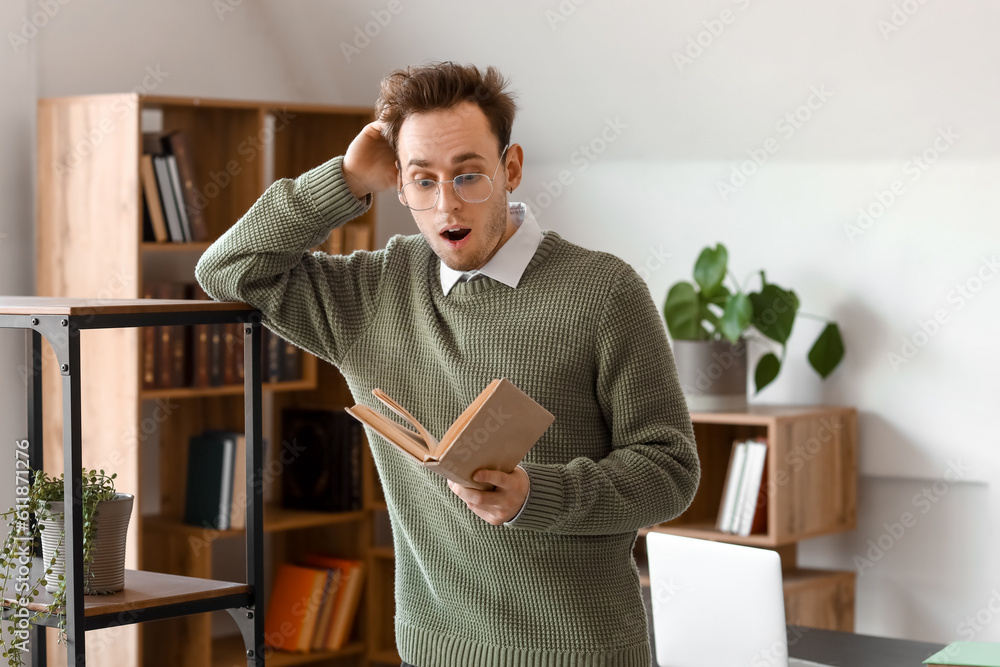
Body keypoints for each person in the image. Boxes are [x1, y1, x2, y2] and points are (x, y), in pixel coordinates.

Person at [195, 61, 700, 667]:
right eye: (424, 181)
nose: (447, 206)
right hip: (434, 650)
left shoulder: (604, 292)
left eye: (469, 176)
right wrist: (347, 179)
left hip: (582, 651)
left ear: (510, 168)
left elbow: (670, 472)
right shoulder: (374, 289)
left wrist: (537, 495)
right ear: (399, 186)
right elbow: (229, 270)